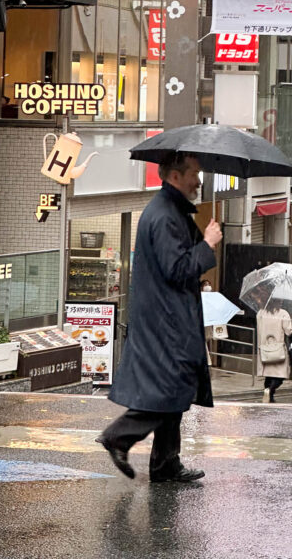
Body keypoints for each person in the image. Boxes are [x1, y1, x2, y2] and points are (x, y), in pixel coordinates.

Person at [96, 152, 221, 483]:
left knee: (174, 387)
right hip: (167, 320)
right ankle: (119, 437)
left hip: (167, 316)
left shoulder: (170, 210)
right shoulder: (165, 215)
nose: (199, 180)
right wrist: (207, 245)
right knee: (169, 389)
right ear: (175, 176)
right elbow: (177, 269)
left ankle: (166, 462)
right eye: (194, 173)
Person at [256, 298, 292, 403]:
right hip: (278, 349)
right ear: (277, 301)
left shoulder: (261, 313)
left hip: (265, 349)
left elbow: (259, 329)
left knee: (268, 374)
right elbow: (289, 331)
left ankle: (268, 394)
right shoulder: (283, 313)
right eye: (280, 300)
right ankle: (270, 390)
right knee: (280, 376)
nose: (282, 302)